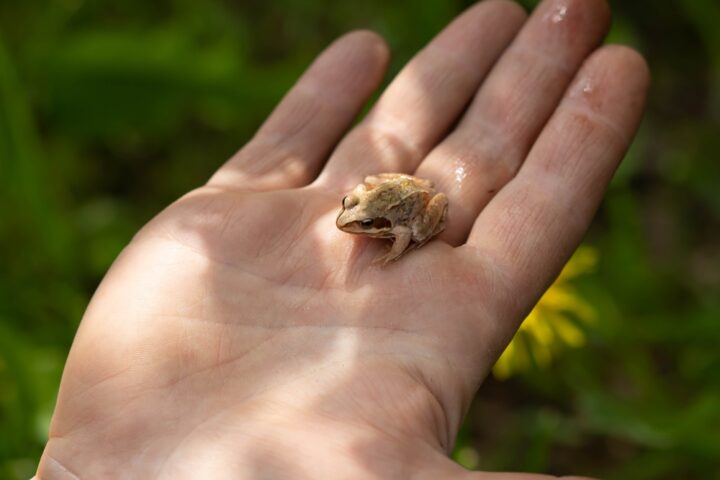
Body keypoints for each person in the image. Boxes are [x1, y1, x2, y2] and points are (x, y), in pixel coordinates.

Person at [35, 0, 649, 478]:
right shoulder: (360, 212)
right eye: (352, 215)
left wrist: (396, 240)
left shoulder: (393, 227)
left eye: (360, 223)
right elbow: (364, 204)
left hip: (413, 201)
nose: (348, 228)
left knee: (419, 213)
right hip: (393, 188)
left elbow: (409, 227)